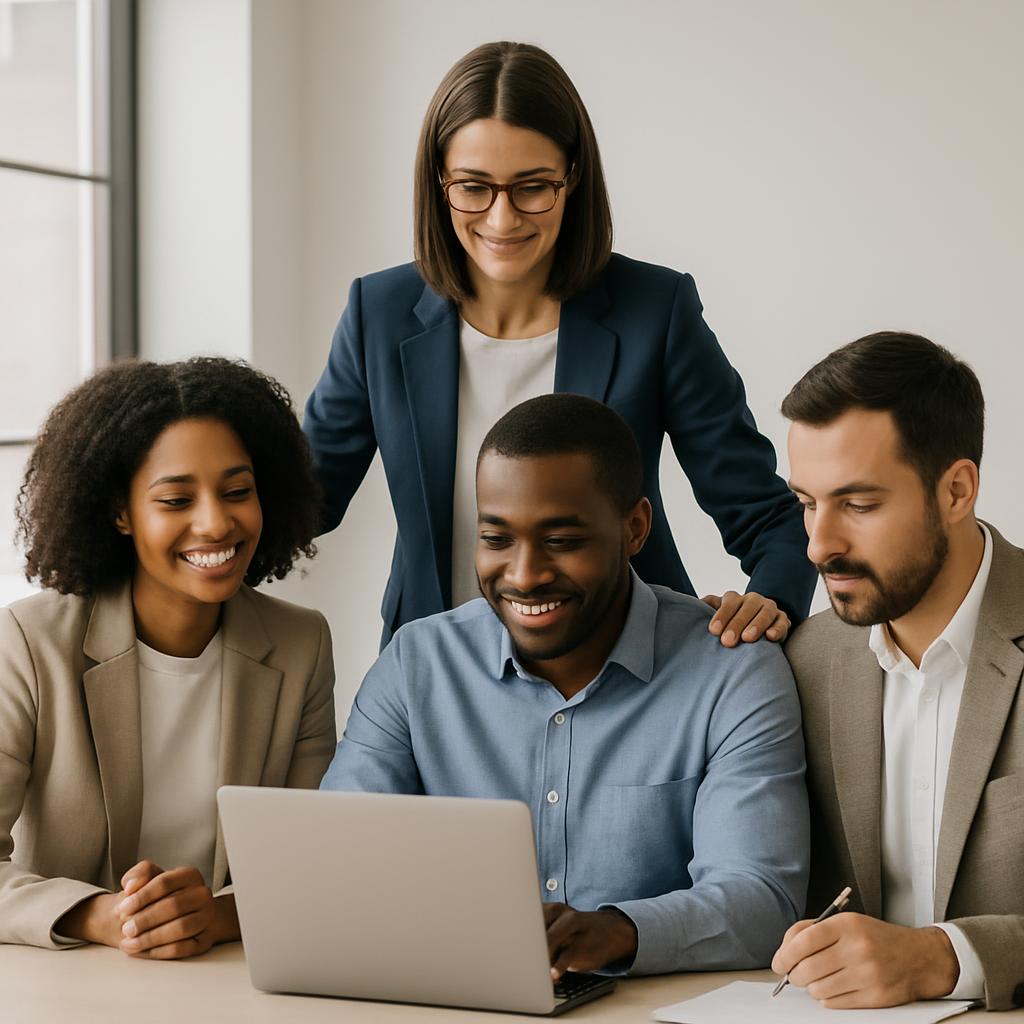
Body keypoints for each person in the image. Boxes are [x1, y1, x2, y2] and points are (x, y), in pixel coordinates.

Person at [304, 40, 815, 646]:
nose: (501, 219)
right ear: (438, 181)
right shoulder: (379, 313)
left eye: (531, 187)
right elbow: (303, 499)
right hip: (436, 670)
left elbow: (765, 514)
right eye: (473, 187)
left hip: (627, 671)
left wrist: (770, 602)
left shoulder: (655, 310)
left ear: (572, 176)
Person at [321, 394, 808, 976]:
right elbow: (338, 867)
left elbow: (762, 904)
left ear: (634, 528)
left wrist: (619, 931)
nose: (524, 575)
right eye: (496, 538)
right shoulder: (416, 664)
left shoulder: (732, 671)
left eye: (562, 541)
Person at [0, 358, 336, 958]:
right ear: (121, 512)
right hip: (64, 982)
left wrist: (217, 916)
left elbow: (311, 859)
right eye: (177, 500)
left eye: (238, 492)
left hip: (233, 975)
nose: (215, 522)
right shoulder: (29, 642)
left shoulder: (299, 644)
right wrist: (104, 916)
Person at [773, 333, 1024, 1010]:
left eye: (858, 505)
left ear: (956, 490)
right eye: (806, 502)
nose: (819, 545)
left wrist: (944, 959)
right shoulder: (802, 662)